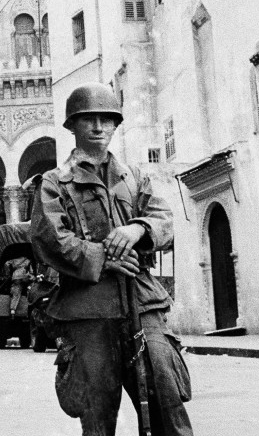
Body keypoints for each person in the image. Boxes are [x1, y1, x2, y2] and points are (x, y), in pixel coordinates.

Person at [31, 83, 193, 435]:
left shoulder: (134, 177)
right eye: (89, 119)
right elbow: (50, 239)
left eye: (107, 119)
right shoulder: (55, 183)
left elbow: (165, 221)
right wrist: (104, 258)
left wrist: (137, 229)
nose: (99, 127)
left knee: (168, 405)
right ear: (72, 126)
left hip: (142, 302)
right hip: (88, 312)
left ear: (116, 125)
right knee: (98, 418)